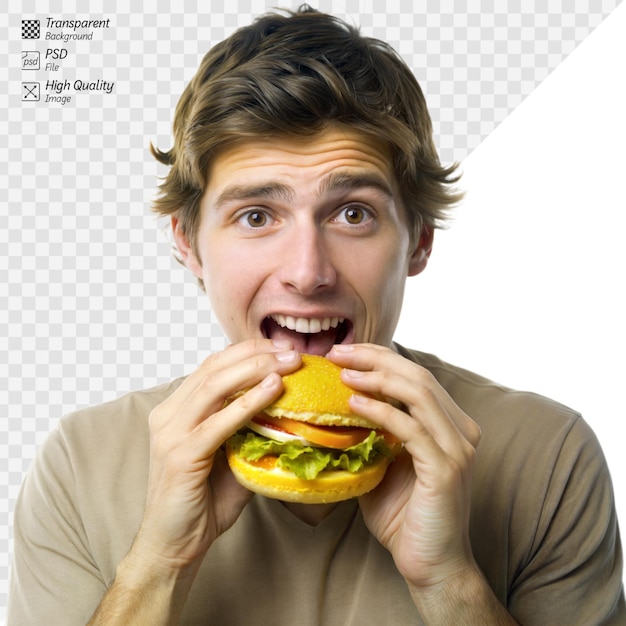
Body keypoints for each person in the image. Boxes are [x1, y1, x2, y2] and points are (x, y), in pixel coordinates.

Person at [8, 5, 625, 625]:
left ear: (418, 241)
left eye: (353, 213)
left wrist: (449, 582)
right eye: (256, 215)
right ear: (188, 243)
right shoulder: (79, 464)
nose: (307, 271)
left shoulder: (548, 459)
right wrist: (158, 563)